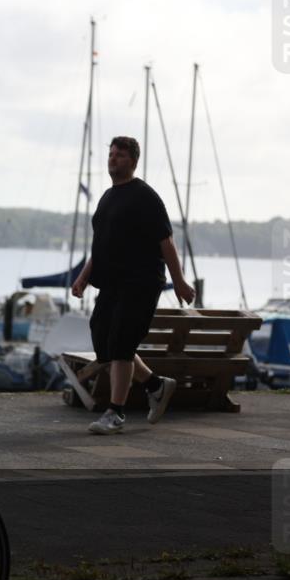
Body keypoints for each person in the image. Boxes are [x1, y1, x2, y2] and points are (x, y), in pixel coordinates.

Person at [71, 136, 196, 434]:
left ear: (134, 161)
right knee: (105, 342)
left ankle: (116, 413)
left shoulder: (145, 197)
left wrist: (179, 282)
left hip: (141, 281)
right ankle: (156, 385)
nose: (113, 159)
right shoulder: (107, 198)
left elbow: (166, 242)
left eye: (120, 155)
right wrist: (84, 276)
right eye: (111, 154)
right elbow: (101, 247)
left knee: (123, 345)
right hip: (112, 282)